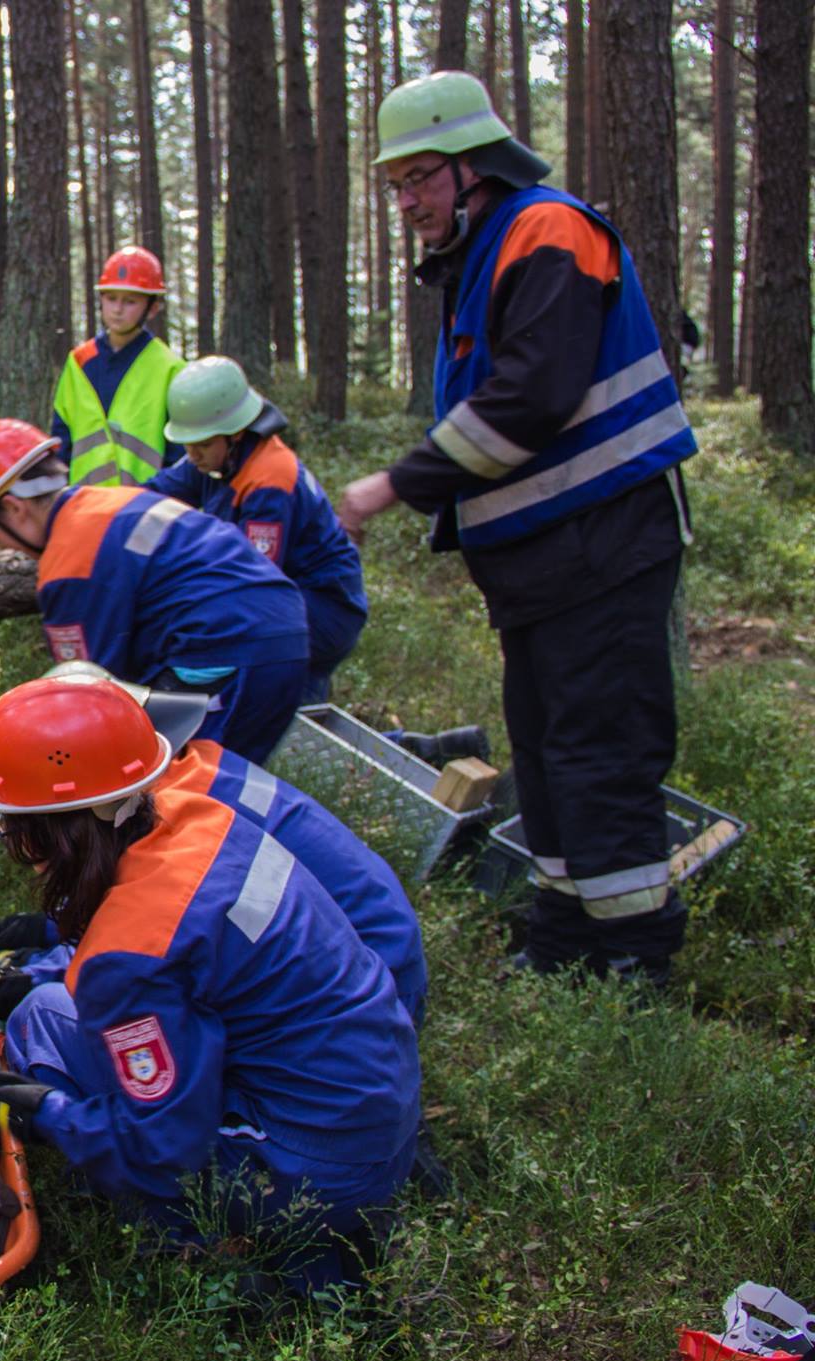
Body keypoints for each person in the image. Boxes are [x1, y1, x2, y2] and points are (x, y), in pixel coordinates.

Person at [337, 71, 696, 985]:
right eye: (396, 184)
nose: (408, 200)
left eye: (420, 176)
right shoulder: (483, 254)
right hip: (547, 567)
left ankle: (636, 964)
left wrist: (392, 485)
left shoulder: (544, 230)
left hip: (603, 548)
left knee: (599, 749)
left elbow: (531, 395)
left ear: (474, 166)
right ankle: (566, 936)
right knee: (542, 749)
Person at [0, 676, 421, 1291]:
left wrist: (29, 1105)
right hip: (371, 1104)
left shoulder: (130, 956)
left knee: (44, 1033)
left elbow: (159, 1146)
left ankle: (215, 1257)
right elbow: (180, 936)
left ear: (51, 830)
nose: (13, 844)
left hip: (313, 1164)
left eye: (10, 827)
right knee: (45, 1007)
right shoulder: (199, 816)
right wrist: (22, 976)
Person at [28, 662, 429, 1027]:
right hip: (374, 954)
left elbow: (151, 941)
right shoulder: (198, 766)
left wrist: (34, 972)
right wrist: (43, 931)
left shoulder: (177, 812)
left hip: (370, 980)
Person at [0, 418, 310, 764]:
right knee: (229, 782)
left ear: (14, 508)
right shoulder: (109, 502)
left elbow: (89, 692)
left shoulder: (68, 566)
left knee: (178, 786)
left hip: (229, 650)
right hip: (282, 630)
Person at [148, 357, 368, 703]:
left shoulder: (269, 479)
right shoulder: (210, 458)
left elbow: (252, 580)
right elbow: (152, 497)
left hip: (323, 609)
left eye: (202, 444)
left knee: (281, 711)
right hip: (290, 599)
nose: (193, 455)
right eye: (187, 444)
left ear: (235, 431)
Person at [49, 246, 187, 486]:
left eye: (130, 301)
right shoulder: (80, 362)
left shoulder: (169, 368)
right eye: (111, 298)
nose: (117, 309)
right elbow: (62, 440)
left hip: (144, 508)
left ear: (152, 308)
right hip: (84, 507)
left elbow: (179, 453)